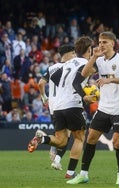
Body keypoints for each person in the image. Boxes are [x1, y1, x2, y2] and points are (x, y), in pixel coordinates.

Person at [66, 31, 119, 185]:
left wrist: (110, 80)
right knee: (91, 138)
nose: (101, 45)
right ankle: (83, 174)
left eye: (104, 42)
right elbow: (84, 73)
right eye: (99, 42)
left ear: (112, 43)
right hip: (104, 107)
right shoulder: (99, 60)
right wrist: (94, 57)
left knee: (117, 142)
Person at [28, 37, 95, 179]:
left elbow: (41, 83)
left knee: (62, 140)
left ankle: (43, 139)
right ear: (89, 50)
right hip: (73, 104)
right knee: (79, 138)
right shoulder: (85, 63)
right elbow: (80, 80)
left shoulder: (59, 66)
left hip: (57, 106)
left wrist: (45, 98)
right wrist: (87, 91)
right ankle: (70, 172)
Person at [38, 44, 76, 171]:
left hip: (53, 106)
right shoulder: (71, 67)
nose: (75, 56)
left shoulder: (51, 68)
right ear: (69, 53)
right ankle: (55, 154)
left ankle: (56, 158)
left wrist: (44, 98)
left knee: (62, 134)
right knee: (67, 136)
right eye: (74, 53)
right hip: (66, 104)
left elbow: (41, 83)